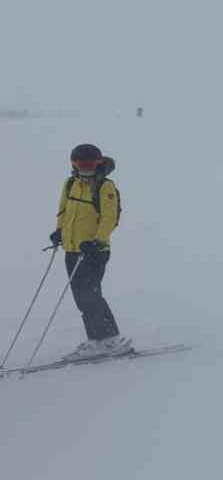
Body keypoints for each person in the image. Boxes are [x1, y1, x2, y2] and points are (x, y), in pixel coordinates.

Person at [48, 144, 130, 360]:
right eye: (80, 164)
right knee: (81, 296)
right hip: (73, 249)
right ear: (73, 164)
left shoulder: (105, 186)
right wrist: (59, 231)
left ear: (98, 163)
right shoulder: (70, 184)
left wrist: (97, 241)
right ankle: (98, 340)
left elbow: (109, 217)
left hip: (94, 251)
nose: (85, 168)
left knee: (90, 294)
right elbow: (64, 210)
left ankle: (109, 339)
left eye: (90, 164)